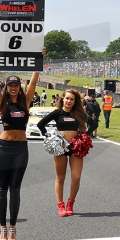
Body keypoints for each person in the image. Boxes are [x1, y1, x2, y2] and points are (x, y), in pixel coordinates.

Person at [0, 59, 41, 240]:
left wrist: (38, 60)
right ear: (7, 87)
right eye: (10, 85)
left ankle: (13, 227)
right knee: (2, 188)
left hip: (21, 149)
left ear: (19, 87)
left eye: (16, 85)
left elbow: (34, 82)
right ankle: (2, 228)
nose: (12, 87)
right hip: (4, 148)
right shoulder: (2, 102)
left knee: (15, 188)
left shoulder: (25, 101)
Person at [37, 89, 91, 217]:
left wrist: (84, 136)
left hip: (76, 147)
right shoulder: (57, 113)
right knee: (60, 178)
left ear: (75, 101)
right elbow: (41, 124)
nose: (69, 101)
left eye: (72, 99)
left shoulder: (79, 113)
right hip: (60, 147)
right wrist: (50, 138)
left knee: (76, 177)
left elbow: (93, 124)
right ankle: (60, 205)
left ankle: (70, 202)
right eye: (67, 98)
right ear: (63, 99)